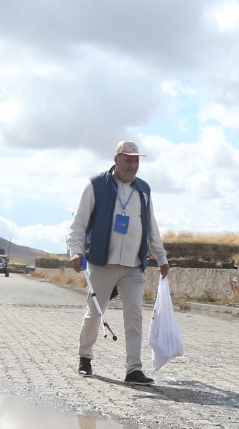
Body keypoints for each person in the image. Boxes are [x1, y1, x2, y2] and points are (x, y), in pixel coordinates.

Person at [66, 140, 171, 384]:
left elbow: (151, 226)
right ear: (116, 160)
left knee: (134, 316)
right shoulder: (95, 185)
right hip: (102, 264)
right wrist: (75, 250)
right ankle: (85, 357)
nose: (132, 165)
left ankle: (133, 369)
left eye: (136, 160)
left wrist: (161, 257)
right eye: (128, 160)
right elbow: (79, 223)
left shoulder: (144, 190)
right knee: (94, 314)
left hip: (134, 267)